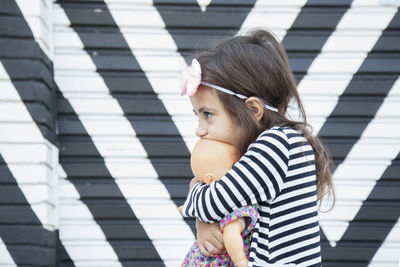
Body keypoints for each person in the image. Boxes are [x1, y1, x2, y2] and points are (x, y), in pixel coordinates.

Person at [179, 29, 335, 266]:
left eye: (208, 115)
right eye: (197, 116)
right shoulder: (285, 144)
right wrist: (205, 221)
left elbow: (213, 203)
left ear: (253, 110)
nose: (199, 130)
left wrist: (196, 193)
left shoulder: (276, 146)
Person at [180, 138, 259, 266]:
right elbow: (231, 232)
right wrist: (240, 261)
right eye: (234, 167)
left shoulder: (203, 199)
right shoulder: (232, 203)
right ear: (210, 180)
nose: (240, 171)